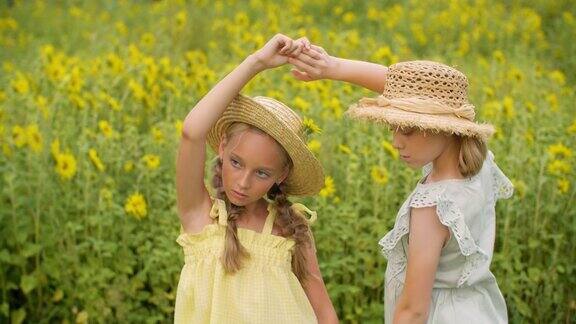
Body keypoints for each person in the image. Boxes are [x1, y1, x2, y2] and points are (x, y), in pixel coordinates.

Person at [289, 44, 513, 323]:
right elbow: (406, 88)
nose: (396, 142)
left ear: (443, 126)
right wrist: (334, 67)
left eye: (407, 128)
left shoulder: (433, 207)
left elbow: (413, 311)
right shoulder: (479, 166)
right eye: (393, 127)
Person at [174, 34, 338, 323]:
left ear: (282, 175)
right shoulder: (202, 217)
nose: (242, 182)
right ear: (222, 147)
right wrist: (256, 62)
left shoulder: (290, 227)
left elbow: (323, 310)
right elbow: (192, 131)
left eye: (262, 173)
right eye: (236, 163)